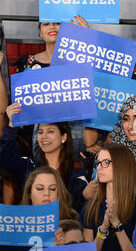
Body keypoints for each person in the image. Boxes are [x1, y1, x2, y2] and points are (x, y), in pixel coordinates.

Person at [14, 17, 89, 163]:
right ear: (40, 32)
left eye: (57, 23)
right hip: (36, 140)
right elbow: (20, 108)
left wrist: (85, 40)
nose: (52, 27)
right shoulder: (25, 64)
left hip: (73, 136)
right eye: (46, 24)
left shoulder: (79, 62)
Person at [0, 108, 89, 213]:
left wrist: (84, 196)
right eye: (40, 132)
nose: (44, 137)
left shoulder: (77, 176)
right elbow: (5, 157)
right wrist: (11, 124)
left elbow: (76, 211)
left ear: (63, 137)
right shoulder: (29, 166)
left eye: (50, 131)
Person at [79, 143, 136, 251]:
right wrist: (103, 229)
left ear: (121, 165)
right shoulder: (90, 207)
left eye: (106, 162)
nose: (100, 167)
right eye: (98, 163)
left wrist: (117, 226)